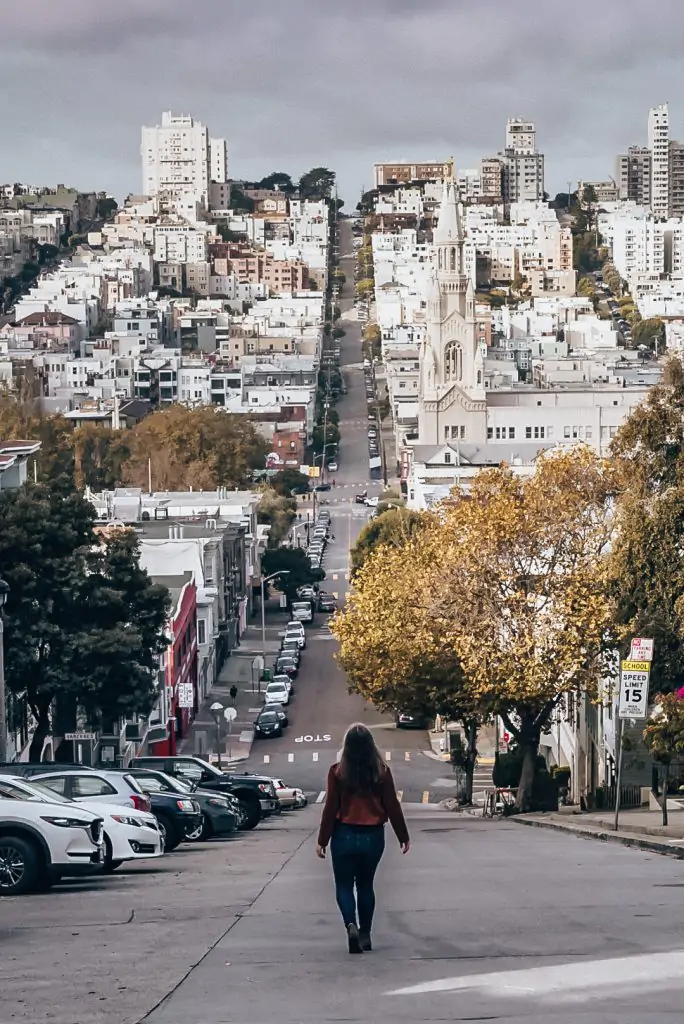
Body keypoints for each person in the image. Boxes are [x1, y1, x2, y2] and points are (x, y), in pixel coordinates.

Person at [316, 723, 410, 954]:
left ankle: (351, 925)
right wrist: (403, 835)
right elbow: (392, 805)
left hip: (343, 834)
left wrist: (322, 840)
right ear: (371, 746)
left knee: (344, 885)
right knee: (366, 885)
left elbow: (330, 808)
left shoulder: (337, 772)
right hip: (373, 836)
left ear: (346, 747)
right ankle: (366, 934)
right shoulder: (382, 772)